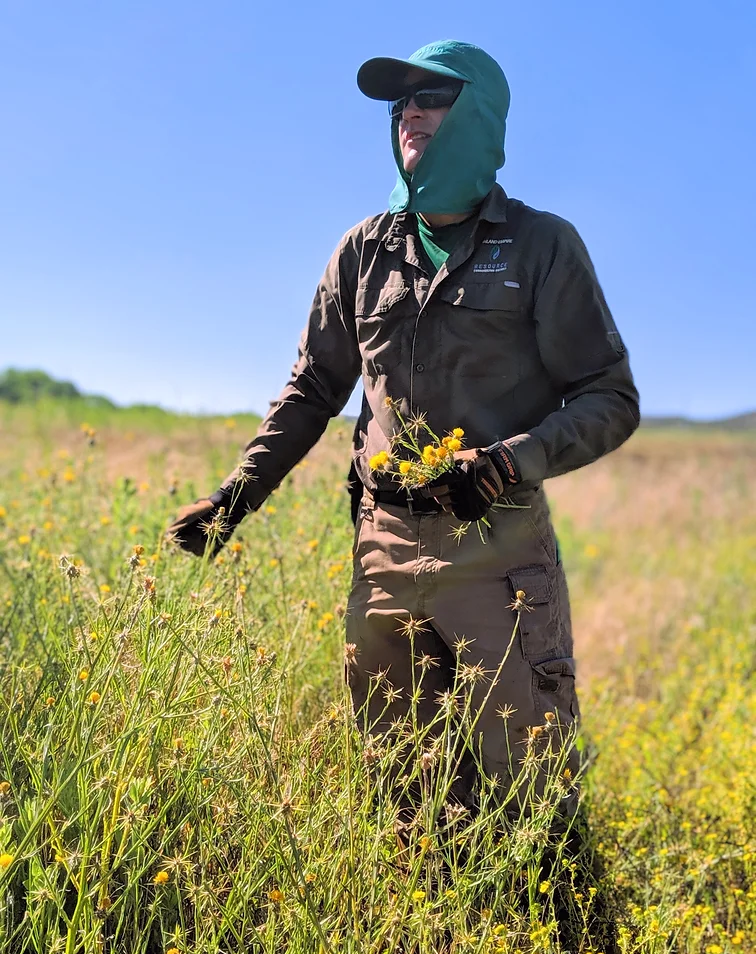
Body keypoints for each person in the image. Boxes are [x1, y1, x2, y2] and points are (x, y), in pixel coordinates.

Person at [167, 40, 640, 818]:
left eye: (432, 97)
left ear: (478, 112)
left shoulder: (541, 245)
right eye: (399, 104)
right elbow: (315, 386)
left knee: (529, 796)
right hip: (383, 550)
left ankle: (555, 931)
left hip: (499, 554)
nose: (409, 113)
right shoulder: (364, 249)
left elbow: (608, 397)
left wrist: (506, 462)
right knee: (404, 794)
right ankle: (431, 941)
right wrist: (236, 496)